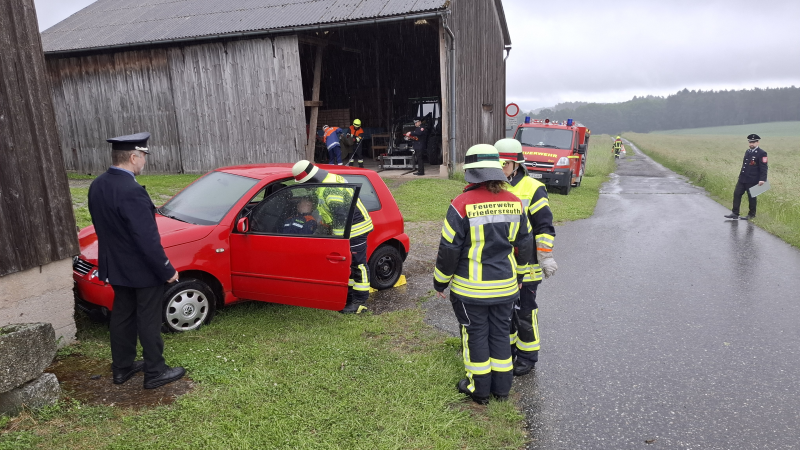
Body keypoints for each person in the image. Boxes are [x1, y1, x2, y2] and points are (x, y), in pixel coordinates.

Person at [433, 144, 533, 404]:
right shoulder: (515, 203)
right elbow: (525, 245)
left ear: (471, 173)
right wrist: (520, 278)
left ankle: (478, 389)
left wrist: (440, 282)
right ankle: (501, 390)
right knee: (500, 334)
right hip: (506, 288)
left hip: (470, 291)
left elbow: (449, 249)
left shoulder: (461, 204)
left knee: (475, 335)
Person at [87, 132, 185, 389]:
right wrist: (167, 270)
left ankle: (122, 367)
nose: (144, 161)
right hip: (142, 270)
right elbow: (147, 239)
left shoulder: (98, 184)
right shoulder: (132, 191)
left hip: (116, 266)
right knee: (148, 319)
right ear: (133, 157)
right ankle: (155, 372)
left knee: (122, 316)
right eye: (143, 156)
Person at [496, 138, 557, 377]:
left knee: (524, 311)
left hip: (527, 264)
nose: (500, 168)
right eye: (497, 163)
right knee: (505, 312)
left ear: (516, 164)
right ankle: (509, 351)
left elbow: (544, 227)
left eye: (504, 164)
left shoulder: (533, 188)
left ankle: (527, 356)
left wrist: (545, 256)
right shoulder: (493, 187)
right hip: (502, 264)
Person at [291, 160, 374, 313]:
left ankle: (359, 302)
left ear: (310, 179)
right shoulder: (328, 180)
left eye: (305, 183)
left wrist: (336, 238)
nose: (307, 187)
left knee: (359, 265)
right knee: (350, 264)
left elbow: (341, 216)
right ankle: (350, 296)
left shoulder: (330, 189)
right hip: (350, 228)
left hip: (355, 229)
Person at [724, 133, 768, 220]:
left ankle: (751, 214)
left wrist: (762, 179)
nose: (751, 144)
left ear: (757, 142)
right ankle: (735, 213)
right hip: (743, 178)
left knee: (751, 197)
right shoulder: (748, 152)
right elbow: (745, 165)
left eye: (753, 142)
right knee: (737, 194)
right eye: (750, 142)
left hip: (752, 179)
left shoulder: (762, 153)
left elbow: (764, 167)